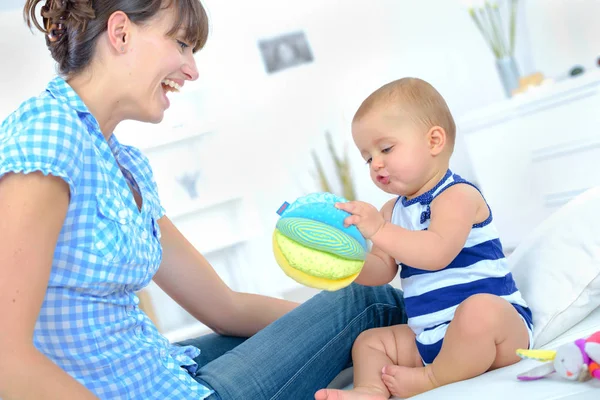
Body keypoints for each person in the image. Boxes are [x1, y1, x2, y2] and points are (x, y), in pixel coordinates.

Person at [0, 1, 409, 399]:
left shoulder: (122, 164)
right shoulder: (49, 133)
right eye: (181, 44)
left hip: (161, 372)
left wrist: (331, 334)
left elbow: (224, 308)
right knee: (370, 302)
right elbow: (7, 359)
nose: (192, 70)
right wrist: (348, 325)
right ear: (121, 33)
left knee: (363, 322)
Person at [315, 78, 533, 400]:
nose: (376, 164)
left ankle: (432, 379)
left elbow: (436, 252)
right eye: (368, 157)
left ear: (433, 141)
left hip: (496, 334)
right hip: (430, 336)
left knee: (479, 311)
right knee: (370, 342)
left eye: (386, 148)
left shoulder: (457, 195)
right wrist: (345, 262)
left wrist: (378, 230)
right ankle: (371, 390)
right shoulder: (392, 211)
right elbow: (382, 270)